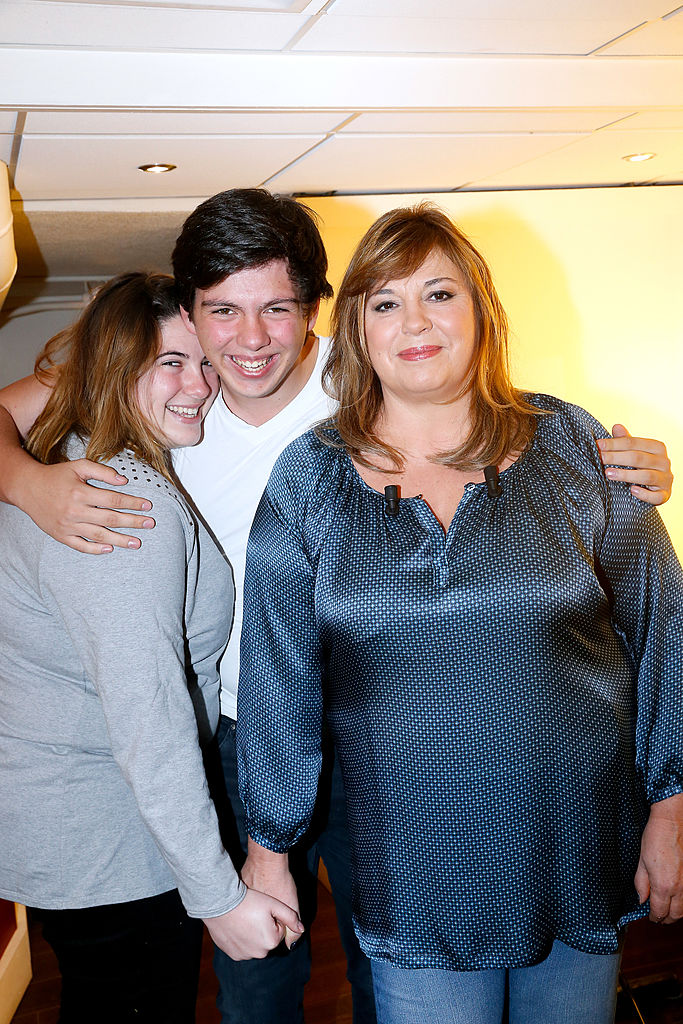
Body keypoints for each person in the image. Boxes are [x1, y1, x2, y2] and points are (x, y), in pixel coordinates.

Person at [0, 190, 675, 1023]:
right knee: (258, 986)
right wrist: (25, 479)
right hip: (237, 735)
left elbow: (616, 582)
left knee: (378, 969)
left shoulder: (374, 379)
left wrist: (627, 477)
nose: (249, 341)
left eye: (277, 309)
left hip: (379, 751)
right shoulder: (164, 387)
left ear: (321, 313)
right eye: (222, 312)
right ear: (189, 311)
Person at [235, 204, 683, 1024]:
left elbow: (663, 635)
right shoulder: (307, 484)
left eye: (438, 293)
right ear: (357, 329)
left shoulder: (574, 448)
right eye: (384, 301)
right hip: (414, 872)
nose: (414, 322)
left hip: (573, 848)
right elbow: (277, 683)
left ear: (480, 310)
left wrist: (670, 811)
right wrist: (268, 855)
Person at [0, 272, 301, 1024]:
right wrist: (217, 896)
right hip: (111, 841)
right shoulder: (119, 503)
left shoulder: (70, 458)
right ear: (112, 368)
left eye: (203, 361)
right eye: (171, 362)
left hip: (77, 829)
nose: (199, 384)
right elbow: (149, 717)